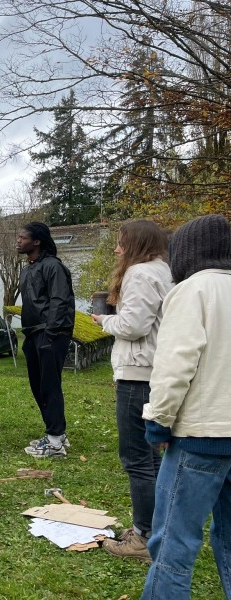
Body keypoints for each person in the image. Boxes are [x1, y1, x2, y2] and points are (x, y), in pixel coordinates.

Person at [140, 214, 231, 600]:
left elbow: (174, 366)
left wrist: (157, 423)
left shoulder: (191, 291)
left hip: (200, 438)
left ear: (185, 253)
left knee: (174, 543)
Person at [91, 220, 172, 562]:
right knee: (151, 457)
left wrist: (103, 321)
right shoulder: (163, 271)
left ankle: (144, 538)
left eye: (121, 243)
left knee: (136, 457)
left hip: (138, 375)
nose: (116, 249)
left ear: (136, 244)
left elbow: (133, 325)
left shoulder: (140, 274)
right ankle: (153, 529)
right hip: (152, 371)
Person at [16, 222, 75, 458]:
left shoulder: (53, 267)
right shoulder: (28, 268)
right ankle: (57, 434)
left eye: (23, 237)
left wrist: (51, 334)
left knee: (49, 385)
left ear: (37, 241)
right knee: (38, 386)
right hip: (32, 333)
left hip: (51, 334)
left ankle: (54, 442)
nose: (18, 241)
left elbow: (59, 301)